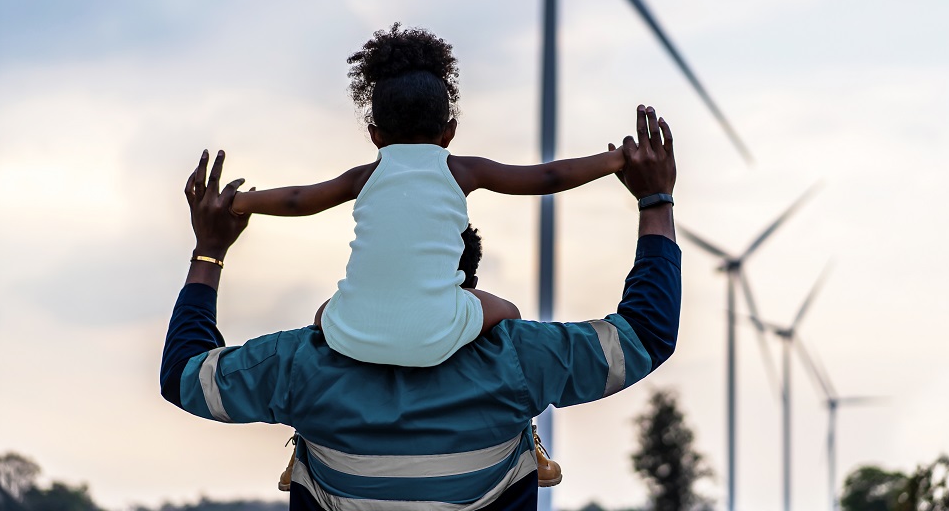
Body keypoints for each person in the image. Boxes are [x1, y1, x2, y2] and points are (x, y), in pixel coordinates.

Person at [162, 105, 680, 510]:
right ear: (462, 281)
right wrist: (654, 202)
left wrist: (209, 251)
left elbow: (186, 375)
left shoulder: (300, 366)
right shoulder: (518, 360)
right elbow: (644, 334)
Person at [229, 24, 627, 370]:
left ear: (375, 135)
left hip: (355, 336)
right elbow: (547, 175)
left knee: (323, 314)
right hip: (435, 335)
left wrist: (241, 202)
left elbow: (299, 198)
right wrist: (615, 160)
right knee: (509, 312)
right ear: (448, 132)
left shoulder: (364, 177)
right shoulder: (461, 170)